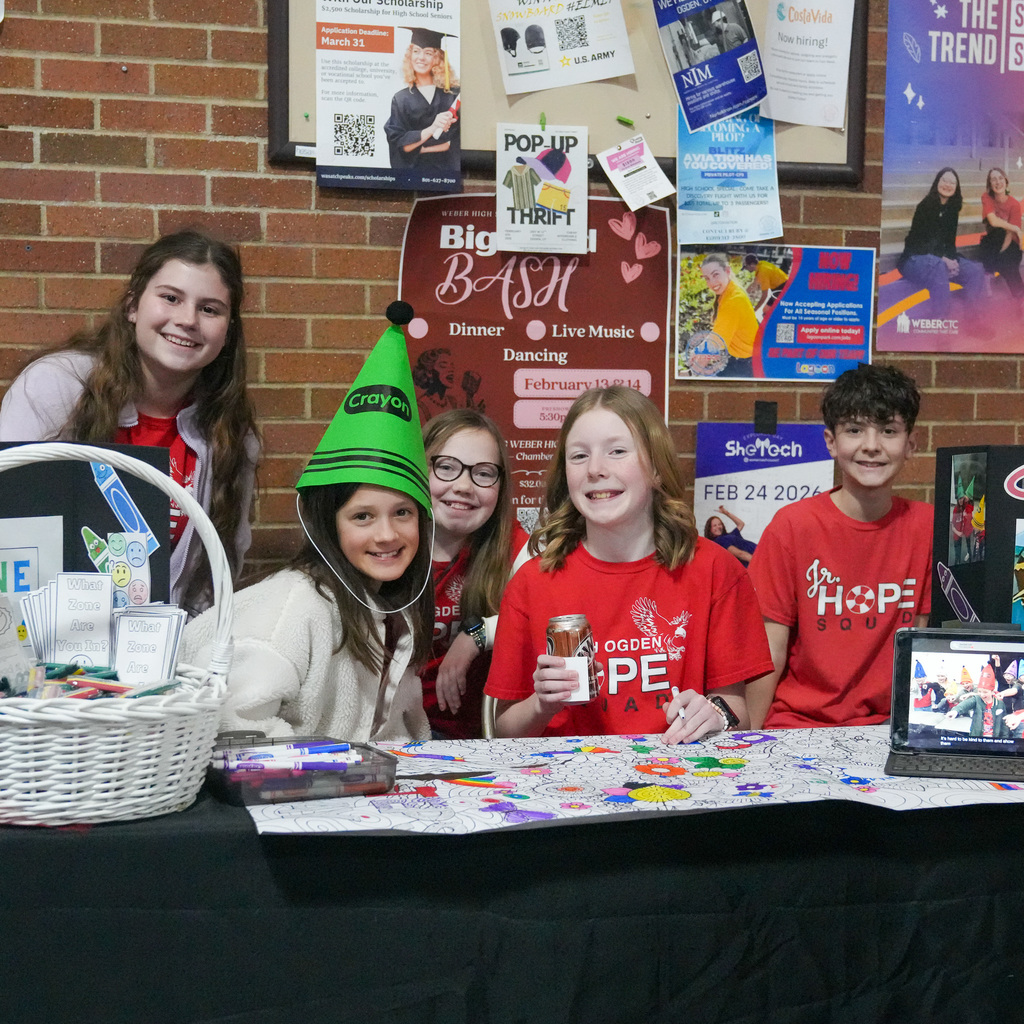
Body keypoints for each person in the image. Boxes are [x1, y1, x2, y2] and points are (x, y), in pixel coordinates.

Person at [181, 303, 433, 741]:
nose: (388, 534)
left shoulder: (390, 606)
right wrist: (338, 770)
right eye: (362, 516)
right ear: (327, 524)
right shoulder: (295, 609)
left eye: (403, 513)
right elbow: (231, 723)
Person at [485, 386, 773, 742]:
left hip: (684, 778)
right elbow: (504, 731)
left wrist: (715, 715)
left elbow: (738, 712)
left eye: (617, 451)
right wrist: (542, 705)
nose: (595, 469)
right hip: (571, 785)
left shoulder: (715, 570)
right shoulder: (532, 582)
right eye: (578, 456)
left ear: (655, 468)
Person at [0, 230, 259, 616]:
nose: (187, 320)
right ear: (133, 305)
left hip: (161, 654)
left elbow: (218, 572)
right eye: (170, 298)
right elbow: (9, 530)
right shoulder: (54, 386)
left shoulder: (230, 431)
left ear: (228, 330)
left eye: (210, 309)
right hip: (43, 640)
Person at [746, 364, 933, 729]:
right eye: (854, 430)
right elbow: (769, 648)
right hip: (798, 725)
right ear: (831, 441)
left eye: (889, 431)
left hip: (891, 728)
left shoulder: (928, 526)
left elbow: (921, 639)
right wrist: (749, 740)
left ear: (911, 444)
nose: (871, 446)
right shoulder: (793, 526)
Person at [421, 409, 529, 739]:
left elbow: (552, 611)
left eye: (483, 473)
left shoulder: (513, 545)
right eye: (447, 468)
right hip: (400, 733)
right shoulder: (388, 544)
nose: (464, 486)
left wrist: (476, 636)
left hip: (486, 736)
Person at [896, 166, 986, 321]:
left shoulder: (952, 209)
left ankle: (973, 320)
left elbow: (949, 243)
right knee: (939, 267)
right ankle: (941, 323)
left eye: (952, 182)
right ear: (937, 182)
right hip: (914, 259)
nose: (947, 184)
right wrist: (944, 261)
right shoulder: (925, 206)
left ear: (956, 188)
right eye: (944, 180)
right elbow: (918, 244)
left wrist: (952, 260)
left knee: (976, 270)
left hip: (938, 260)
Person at [383, 28, 460, 181]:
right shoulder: (401, 99)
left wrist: (418, 146)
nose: (421, 58)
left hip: (445, 177)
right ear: (410, 56)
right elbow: (400, 145)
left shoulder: (453, 95)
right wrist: (433, 128)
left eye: (428, 53)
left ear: (437, 59)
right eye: (416, 51)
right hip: (412, 178)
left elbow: (453, 144)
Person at [701, 252, 760, 378]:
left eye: (715, 275)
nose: (711, 282)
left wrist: (691, 371)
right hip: (738, 357)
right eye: (707, 278)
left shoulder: (733, 301)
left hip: (745, 365)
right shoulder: (729, 290)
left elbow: (714, 343)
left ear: (727, 271)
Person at [978, 167, 1024, 307]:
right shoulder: (987, 197)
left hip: (1013, 245)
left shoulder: (1014, 204)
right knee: (995, 233)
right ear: (990, 184)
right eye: (993, 179)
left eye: (1000, 178)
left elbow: (1010, 235)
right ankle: (988, 274)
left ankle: (1020, 296)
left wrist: (999, 256)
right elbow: (993, 221)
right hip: (993, 241)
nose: (997, 182)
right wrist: (1016, 227)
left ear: (1006, 181)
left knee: (1007, 264)